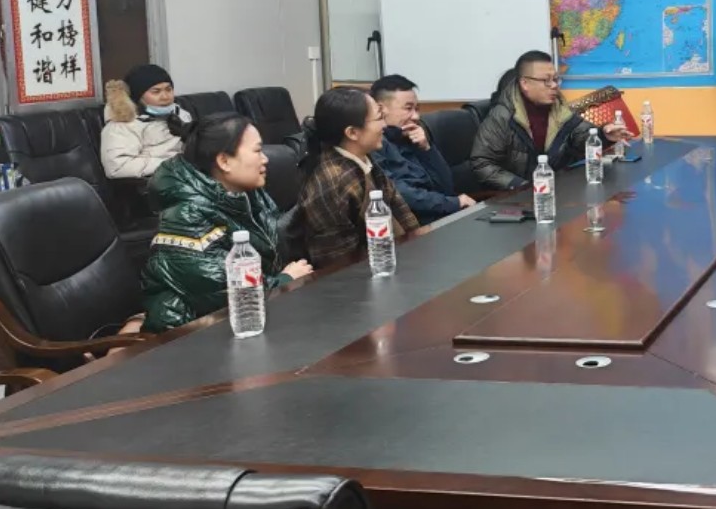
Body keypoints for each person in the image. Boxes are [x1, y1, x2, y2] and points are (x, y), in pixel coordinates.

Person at [140, 114, 313, 333]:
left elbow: (273, 245)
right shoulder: (186, 215)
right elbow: (224, 292)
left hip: (247, 322)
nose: (265, 159)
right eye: (257, 151)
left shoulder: (247, 194)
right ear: (224, 161)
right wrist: (285, 280)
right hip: (187, 336)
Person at [292, 86, 419, 267]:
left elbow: (403, 214)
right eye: (379, 118)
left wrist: (418, 247)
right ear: (352, 132)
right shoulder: (332, 182)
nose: (384, 125)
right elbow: (338, 264)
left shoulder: (364, 159)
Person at [468, 50, 631, 190]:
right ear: (525, 83)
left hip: (556, 190)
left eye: (555, 79)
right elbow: (482, 163)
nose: (554, 85)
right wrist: (520, 185)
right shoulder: (503, 115)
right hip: (517, 199)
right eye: (546, 81)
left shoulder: (558, 108)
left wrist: (603, 135)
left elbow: (581, 136)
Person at [369, 74, 476, 225]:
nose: (416, 116)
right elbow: (398, 193)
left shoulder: (412, 136)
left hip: (442, 216)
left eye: (417, 109)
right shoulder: (375, 144)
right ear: (381, 109)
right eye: (408, 108)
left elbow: (447, 186)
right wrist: (453, 203)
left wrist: (427, 149)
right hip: (414, 226)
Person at [101, 63, 195, 179]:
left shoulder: (180, 113)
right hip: (157, 181)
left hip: (188, 174)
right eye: (156, 92)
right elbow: (118, 167)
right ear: (138, 96)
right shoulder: (121, 126)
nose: (165, 97)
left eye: (168, 89)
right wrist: (173, 165)